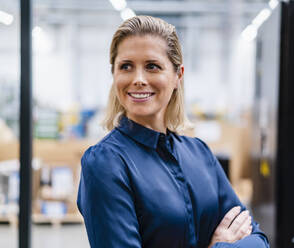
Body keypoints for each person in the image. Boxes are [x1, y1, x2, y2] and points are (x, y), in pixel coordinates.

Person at [77, 15, 269, 248]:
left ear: (178, 75)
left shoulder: (199, 153)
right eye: (126, 66)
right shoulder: (105, 163)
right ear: (115, 74)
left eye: (152, 66)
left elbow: (257, 241)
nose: (138, 79)